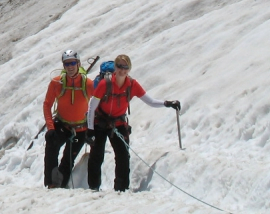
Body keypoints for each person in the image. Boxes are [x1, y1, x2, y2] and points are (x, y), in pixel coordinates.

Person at [86, 54, 181, 191]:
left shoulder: (132, 85)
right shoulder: (104, 84)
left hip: (118, 124)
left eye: (125, 67)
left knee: (123, 156)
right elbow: (92, 106)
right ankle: (94, 187)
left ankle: (121, 188)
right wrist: (90, 129)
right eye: (119, 66)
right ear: (115, 68)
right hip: (100, 122)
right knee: (97, 155)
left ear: (129, 68)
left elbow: (151, 101)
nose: (122, 70)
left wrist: (167, 103)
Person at [42, 49, 90, 188]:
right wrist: (50, 128)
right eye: (67, 64)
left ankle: (61, 186)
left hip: (81, 128)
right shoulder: (57, 83)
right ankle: (51, 184)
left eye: (73, 63)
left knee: (68, 159)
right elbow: (47, 105)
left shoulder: (88, 84)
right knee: (51, 149)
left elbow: (97, 104)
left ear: (78, 63)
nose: (70, 66)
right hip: (62, 125)